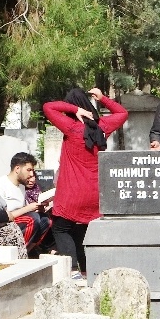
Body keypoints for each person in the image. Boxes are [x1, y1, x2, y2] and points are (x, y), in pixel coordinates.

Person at [43, 87, 128, 277]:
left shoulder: (72, 127)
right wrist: (103, 98)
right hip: (95, 194)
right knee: (81, 233)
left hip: (72, 192)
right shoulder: (103, 127)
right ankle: (87, 272)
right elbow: (122, 113)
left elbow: (48, 107)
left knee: (60, 229)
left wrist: (74, 111)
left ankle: (72, 270)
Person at [0, 152, 51, 252]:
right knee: (32, 219)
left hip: (17, 222)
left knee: (45, 220)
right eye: (29, 170)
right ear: (17, 169)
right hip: (3, 227)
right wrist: (28, 208)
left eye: (32, 170)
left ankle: (28, 251)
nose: (31, 174)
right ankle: (20, 252)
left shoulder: (21, 187)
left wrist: (37, 208)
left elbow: (23, 210)